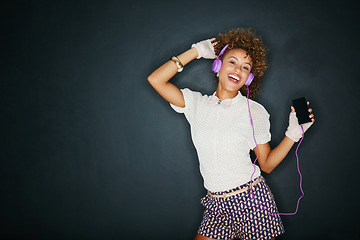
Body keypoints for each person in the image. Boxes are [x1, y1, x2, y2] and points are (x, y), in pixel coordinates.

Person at [147, 28, 315, 240]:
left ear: (248, 77)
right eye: (232, 61)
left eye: (246, 67)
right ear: (218, 65)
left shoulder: (254, 111)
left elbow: (267, 164)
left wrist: (293, 134)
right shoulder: (195, 104)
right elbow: (156, 79)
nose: (238, 69)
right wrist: (196, 51)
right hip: (215, 204)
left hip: (252, 203)